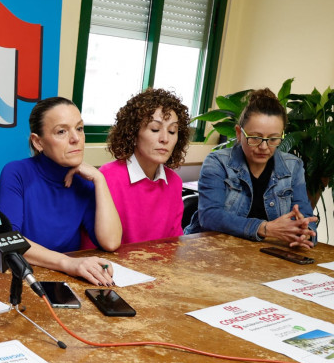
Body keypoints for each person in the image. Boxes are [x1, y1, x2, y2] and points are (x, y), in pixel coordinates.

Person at [0, 97, 121, 286]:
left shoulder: (84, 180)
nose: (76, 139)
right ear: (38, 142)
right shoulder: (16, 173)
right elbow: (8, 241)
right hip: (23, 279)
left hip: (68, 281)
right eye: (61, 131)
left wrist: (99, 179)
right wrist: (68, 263)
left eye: (79, 128)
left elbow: (111, 242)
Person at [184, 88, 318, 247]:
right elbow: (209, 216)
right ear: (239, 133)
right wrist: (264, 228)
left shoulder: (293, 166)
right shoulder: (217, 162)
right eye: (255, 138)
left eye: (273, 139)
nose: (264, 146)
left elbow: (306, 216)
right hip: (211, 248)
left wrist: (304, 233)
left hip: (264, 253)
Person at [98, 88, 190, 245]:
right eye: (155, 129)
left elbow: (174, 244)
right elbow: (92, 249)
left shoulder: (174, 182)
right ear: (133, 134)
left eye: (172, 131)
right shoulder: (107, 177)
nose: (165, 139)